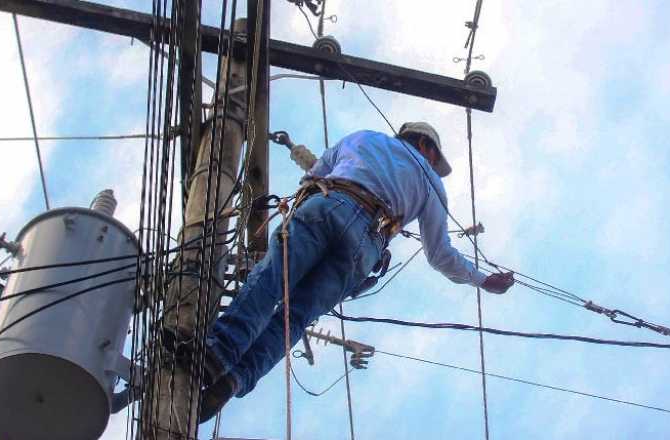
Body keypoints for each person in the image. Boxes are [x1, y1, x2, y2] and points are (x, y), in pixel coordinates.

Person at [189, 122, 515, 422]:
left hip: (329, 203)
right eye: (434, 158)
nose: (433, 165)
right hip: (366, 245)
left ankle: (218, 353)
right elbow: (440, 254)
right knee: (295, 317)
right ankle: (236, 378)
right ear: (427, 147)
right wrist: (483, 280)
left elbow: (314, 174)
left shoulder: (364, 138)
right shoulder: (431, 184)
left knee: (273, 277)